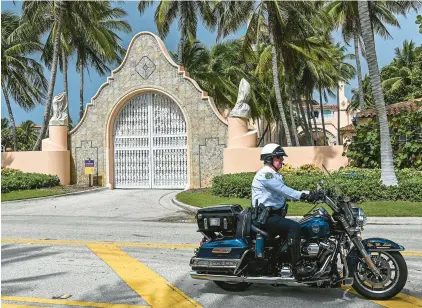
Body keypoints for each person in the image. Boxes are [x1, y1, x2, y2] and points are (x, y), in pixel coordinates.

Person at [251, 143, 321, 278]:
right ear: (269, 159)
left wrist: (311, 193)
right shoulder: (266, 175)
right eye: (278, 158)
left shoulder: (275, 175)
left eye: (281, 158)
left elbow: (285, 192)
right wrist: (304, 195)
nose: (282, 161)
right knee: (294, 227)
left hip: (273, 216)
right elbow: (285, 191)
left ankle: (286, 262)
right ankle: (297, 266)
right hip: (265, 218)